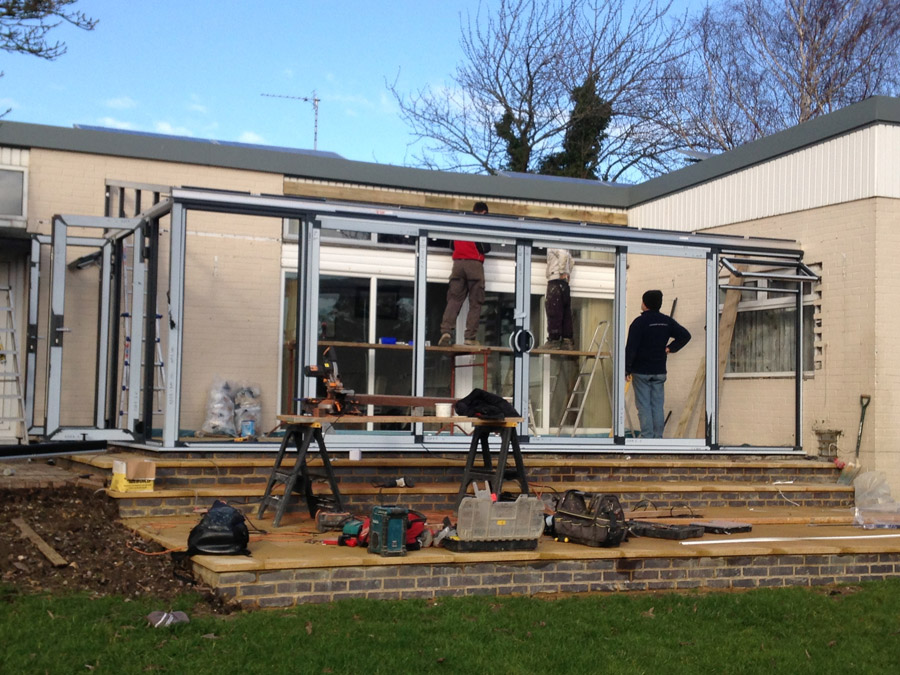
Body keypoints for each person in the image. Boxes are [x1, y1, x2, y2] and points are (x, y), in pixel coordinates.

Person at [624, 289, 691, 439]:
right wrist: (670, 348)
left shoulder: (639, 322)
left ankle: (647, 437)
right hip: (659, 370)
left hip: (641, 371)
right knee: (657, 405)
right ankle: (658, 437)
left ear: (645, 304)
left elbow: (631, 348)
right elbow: (685, 335)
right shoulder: (666, 321)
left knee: (644, 406)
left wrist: (626, 369)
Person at [438, 202, 490, 346]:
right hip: (474, 264)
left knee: (454, 299)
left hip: (458, 265)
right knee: (476, 302)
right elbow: (485, 247)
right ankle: (470, 337)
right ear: (484, 212)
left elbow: (451, 245)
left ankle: (446, 331)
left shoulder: (460, 223)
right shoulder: (480, 223)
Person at [542, 247, 575, 350]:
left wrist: (561, 272)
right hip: (564, 283)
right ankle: (567, 340)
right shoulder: (566, 245)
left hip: (555, 279)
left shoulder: (553, 242)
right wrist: (567, 274)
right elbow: (572, 261)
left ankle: (554, 340)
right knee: (565, 312)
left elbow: (563, 254)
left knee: (553, 309)